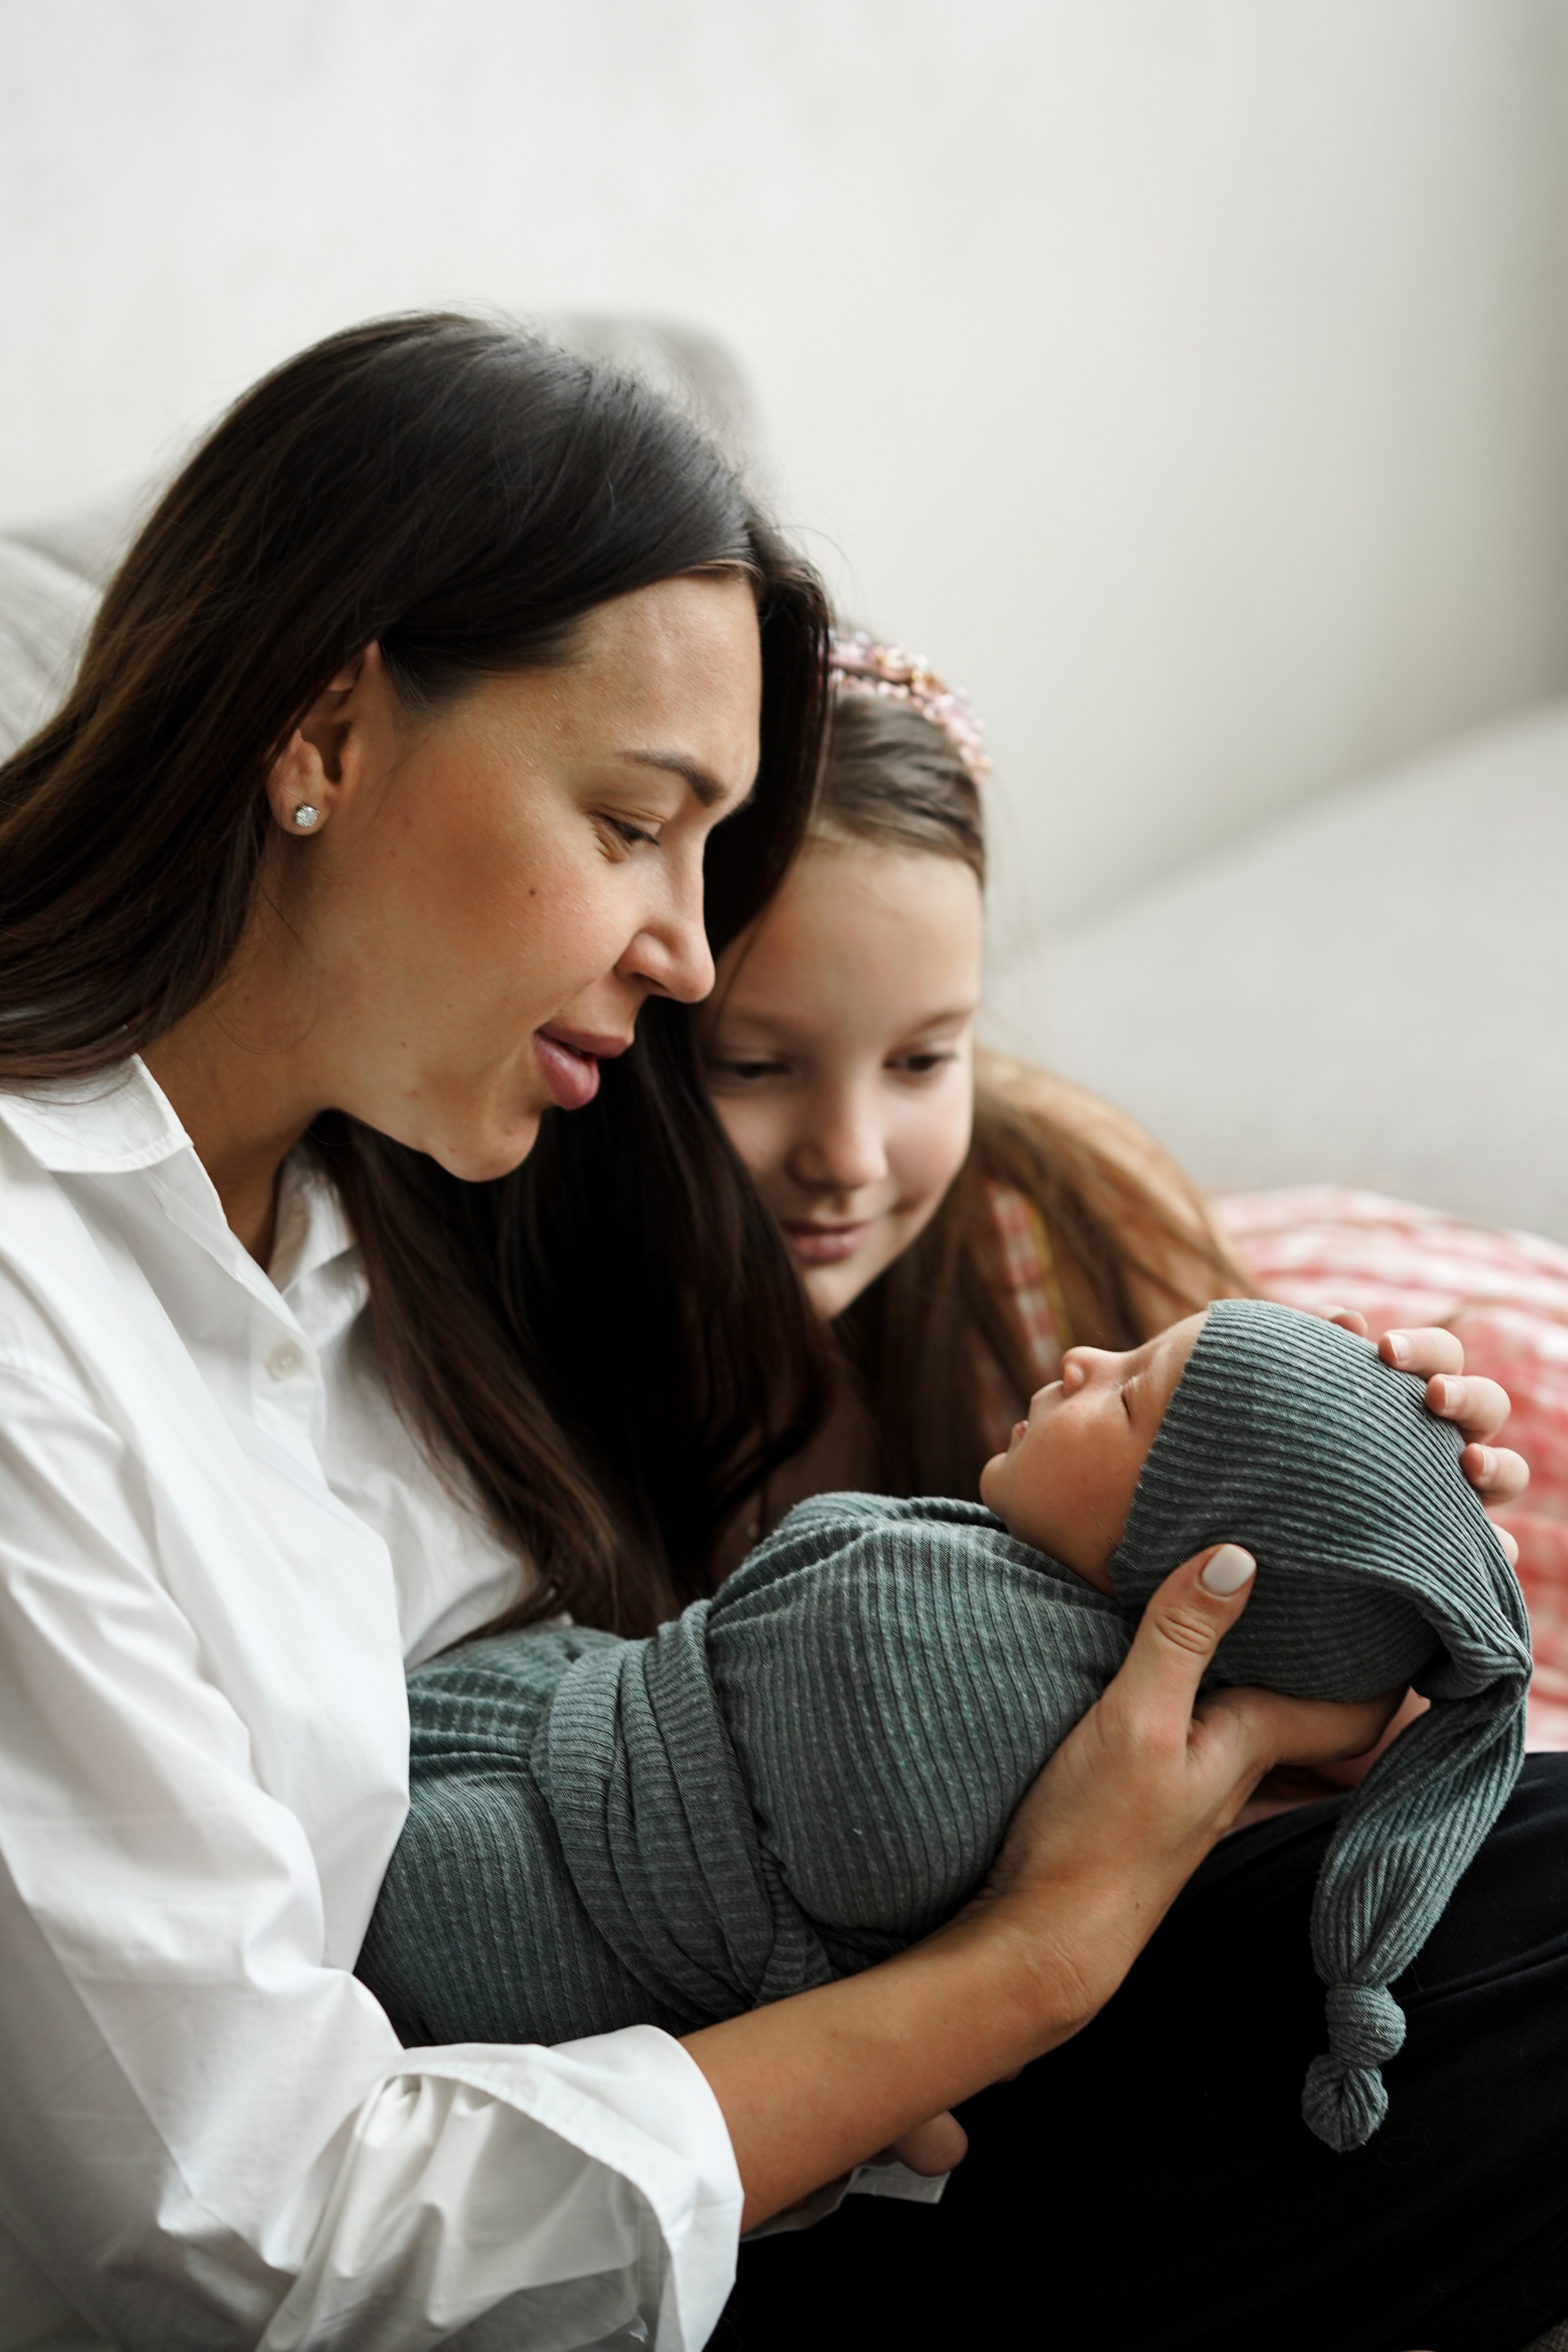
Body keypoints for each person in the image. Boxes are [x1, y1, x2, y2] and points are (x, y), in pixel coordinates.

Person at [0, 314, 1448, 2351]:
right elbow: (246, 2246)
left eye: (709, 850)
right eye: (629, 824)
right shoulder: (41, 1334)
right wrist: (1025, 1970)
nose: (684, 956)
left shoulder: (395, 1177)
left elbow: (873, 1130)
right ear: (323, 735)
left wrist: (1325, 1513)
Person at [696, 642, 1568, 2351]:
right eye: (751, 1064)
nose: (850, 1154)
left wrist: (1346, 1656)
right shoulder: (574, 1397)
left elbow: (1293, 1741)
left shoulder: (1042, 1240)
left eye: (925, 1058)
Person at [360, 1296, 1528, 2176]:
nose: (1080, 1361)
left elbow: (852, 1770)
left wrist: (1308, 1730)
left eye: (1127, 1396)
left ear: (1189, 1563)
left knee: (385, 1886)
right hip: (564, 1769)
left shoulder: (964, 1666)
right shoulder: (1075, 1676)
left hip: (547, 1904)